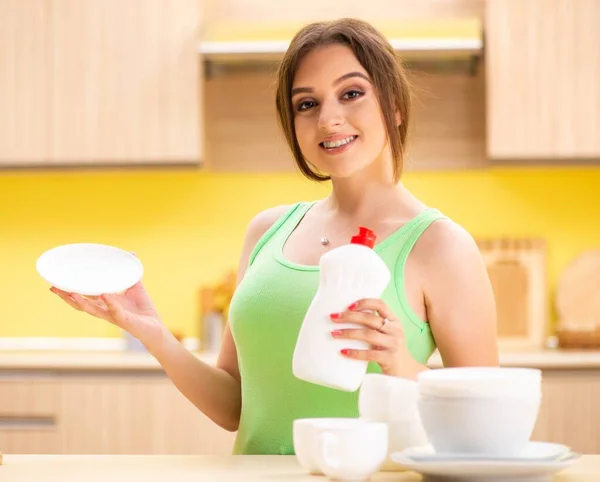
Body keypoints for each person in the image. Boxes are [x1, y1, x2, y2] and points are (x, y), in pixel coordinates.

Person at [50, 18, 499, 455]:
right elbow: (235, 407)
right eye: (307, 103)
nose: (329, 118)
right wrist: (151, 333)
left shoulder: (440, 245)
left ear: (395, 107)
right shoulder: (267, 232)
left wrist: (399, 361)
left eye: (352, 93)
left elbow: (485, 419)